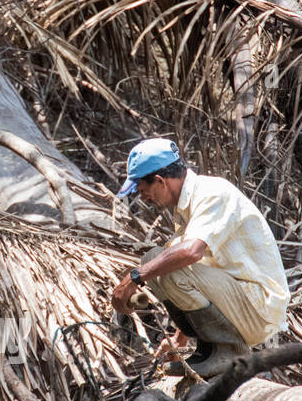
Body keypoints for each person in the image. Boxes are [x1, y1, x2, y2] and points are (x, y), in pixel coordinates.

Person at [110, 138, 290, 377]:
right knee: (156, 259)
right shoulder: (188, 203)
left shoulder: (212, 193)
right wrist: (179, 340)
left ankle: (229, 352)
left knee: (160, 263)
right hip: (240, 301)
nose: (144, 198)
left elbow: (190, 253)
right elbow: (198, 271)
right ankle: (211, 351)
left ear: (161, 181)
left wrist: (134, 278)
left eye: (143, 190)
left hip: (258, 308)